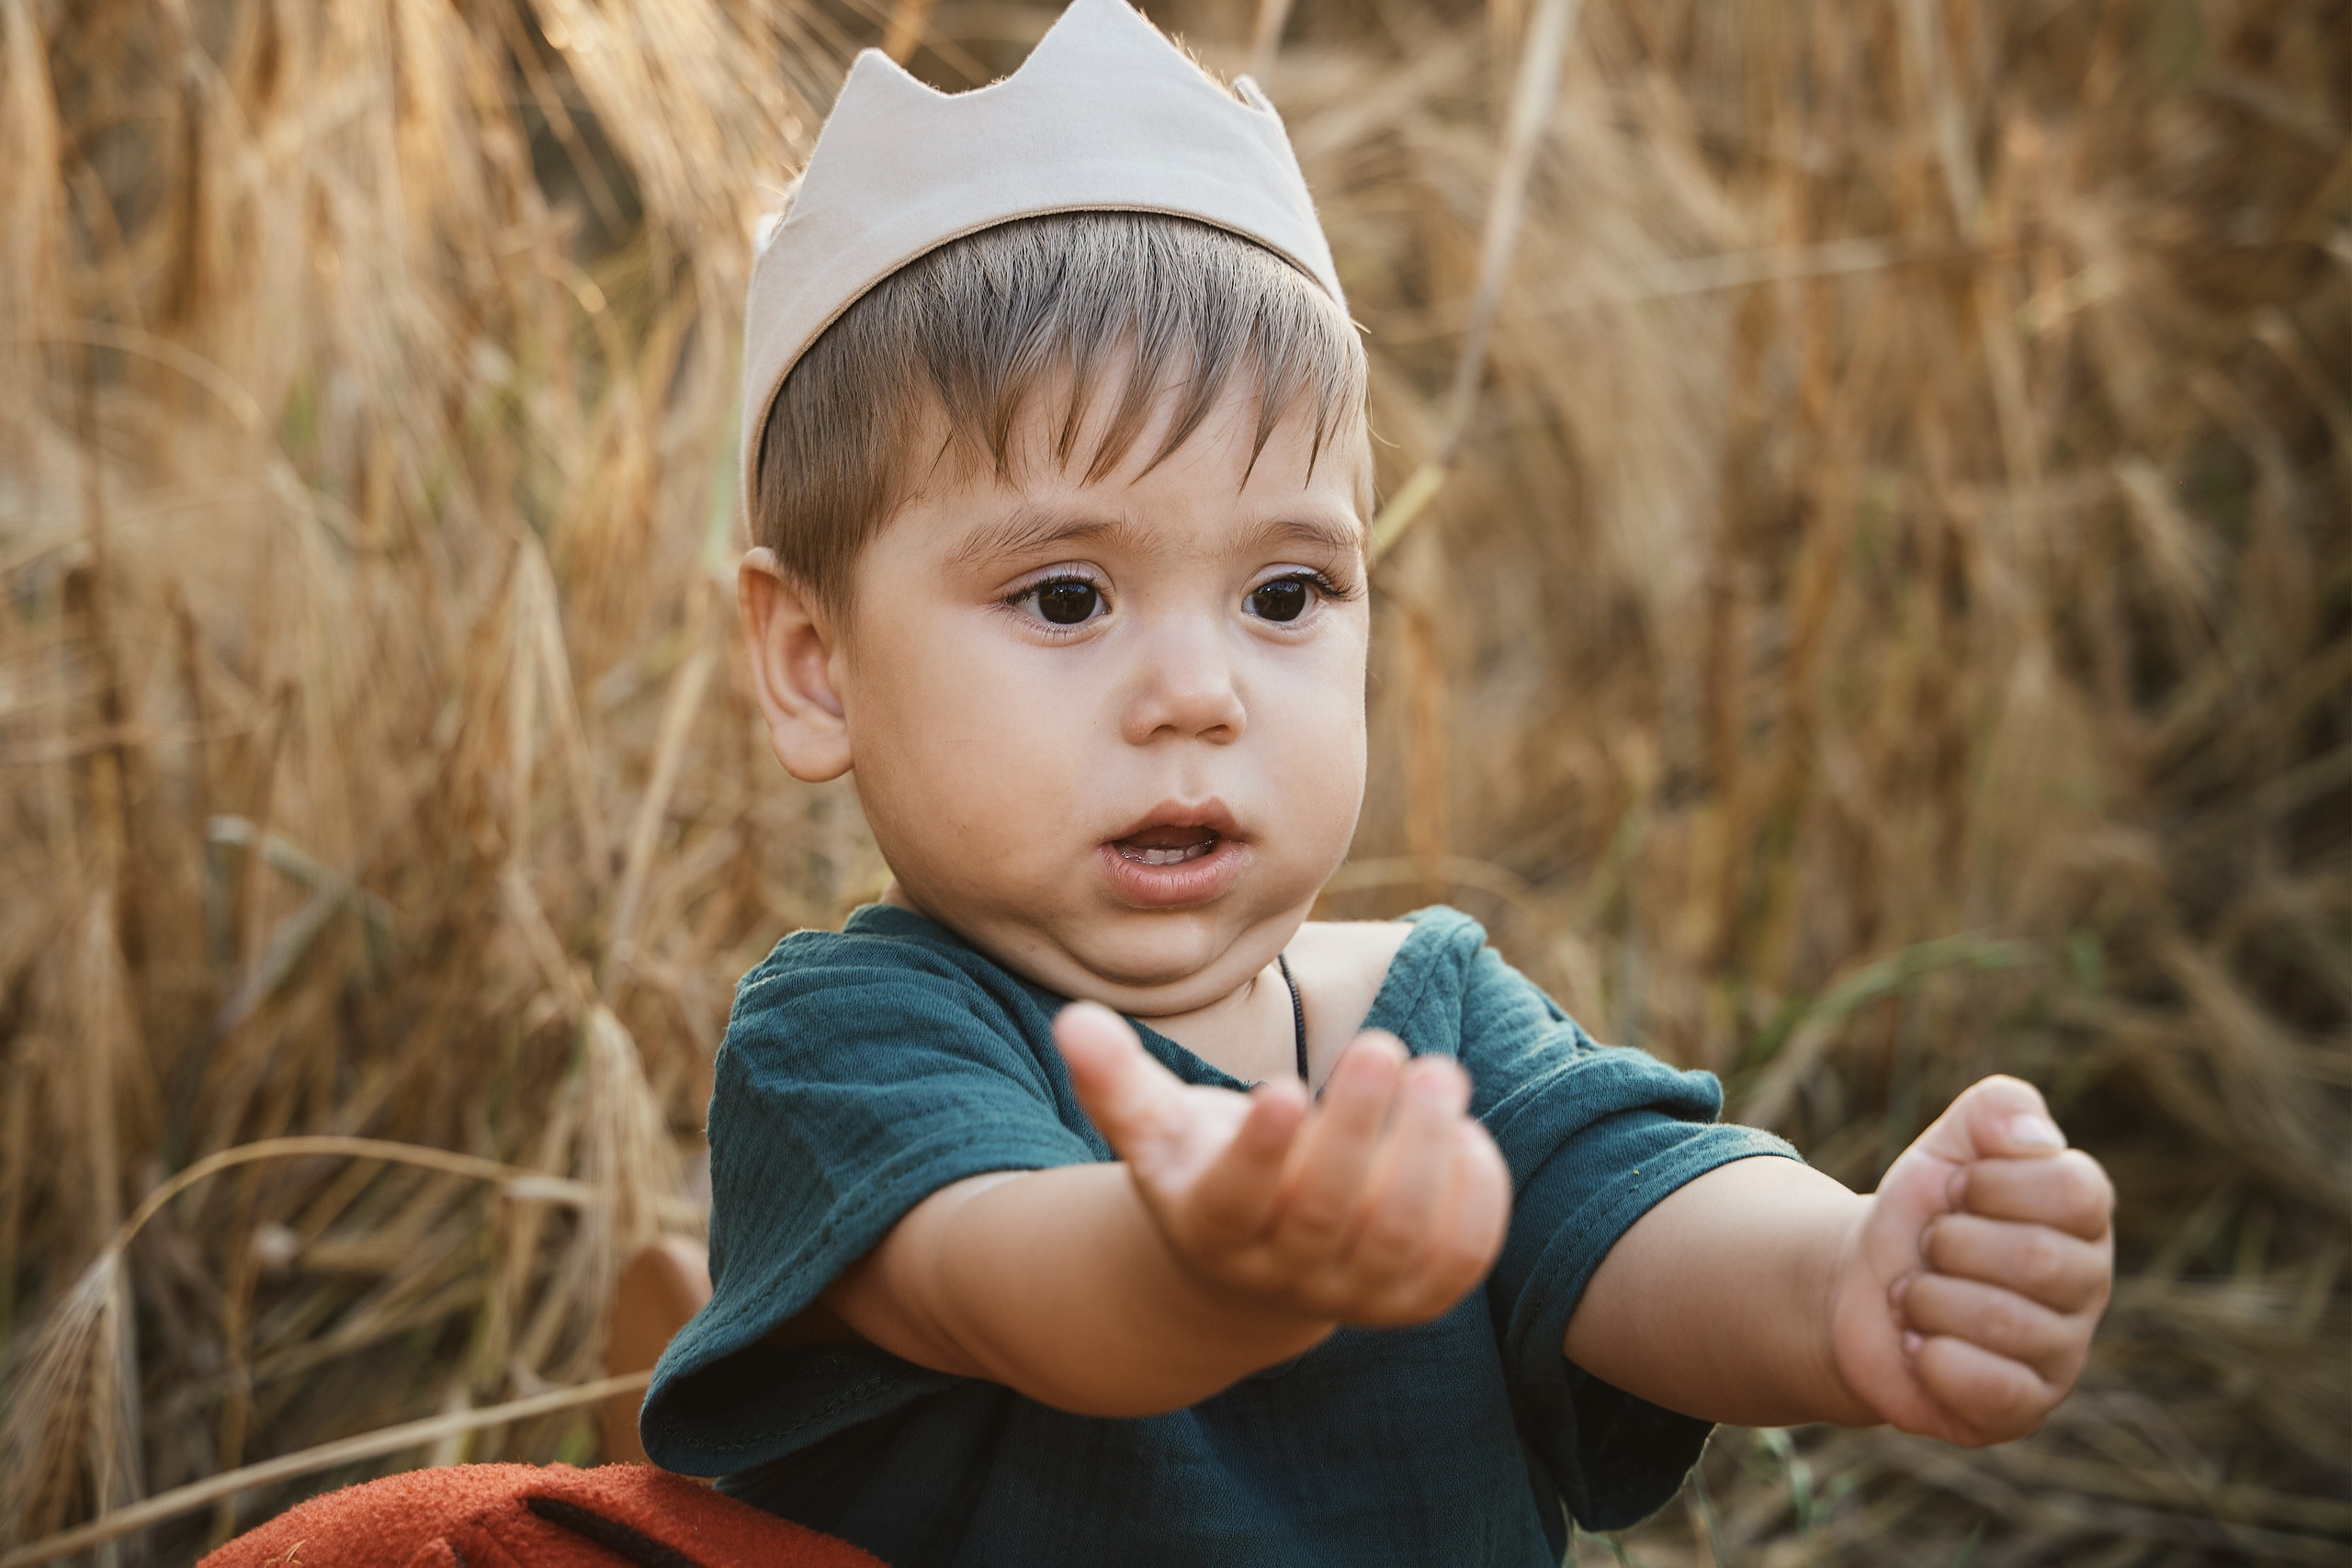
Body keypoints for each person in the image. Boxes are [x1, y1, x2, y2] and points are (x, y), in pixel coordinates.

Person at [639, 2, 2116, 1562]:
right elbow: (1013, 1280)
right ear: (813, 662)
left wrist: (1845, 1282)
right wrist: (1203, 1275)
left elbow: (1636, 1219)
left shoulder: (1429, 1012)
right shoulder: (852, 1043)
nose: (1200, 694)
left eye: (1285, 595)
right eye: (1066, 597)